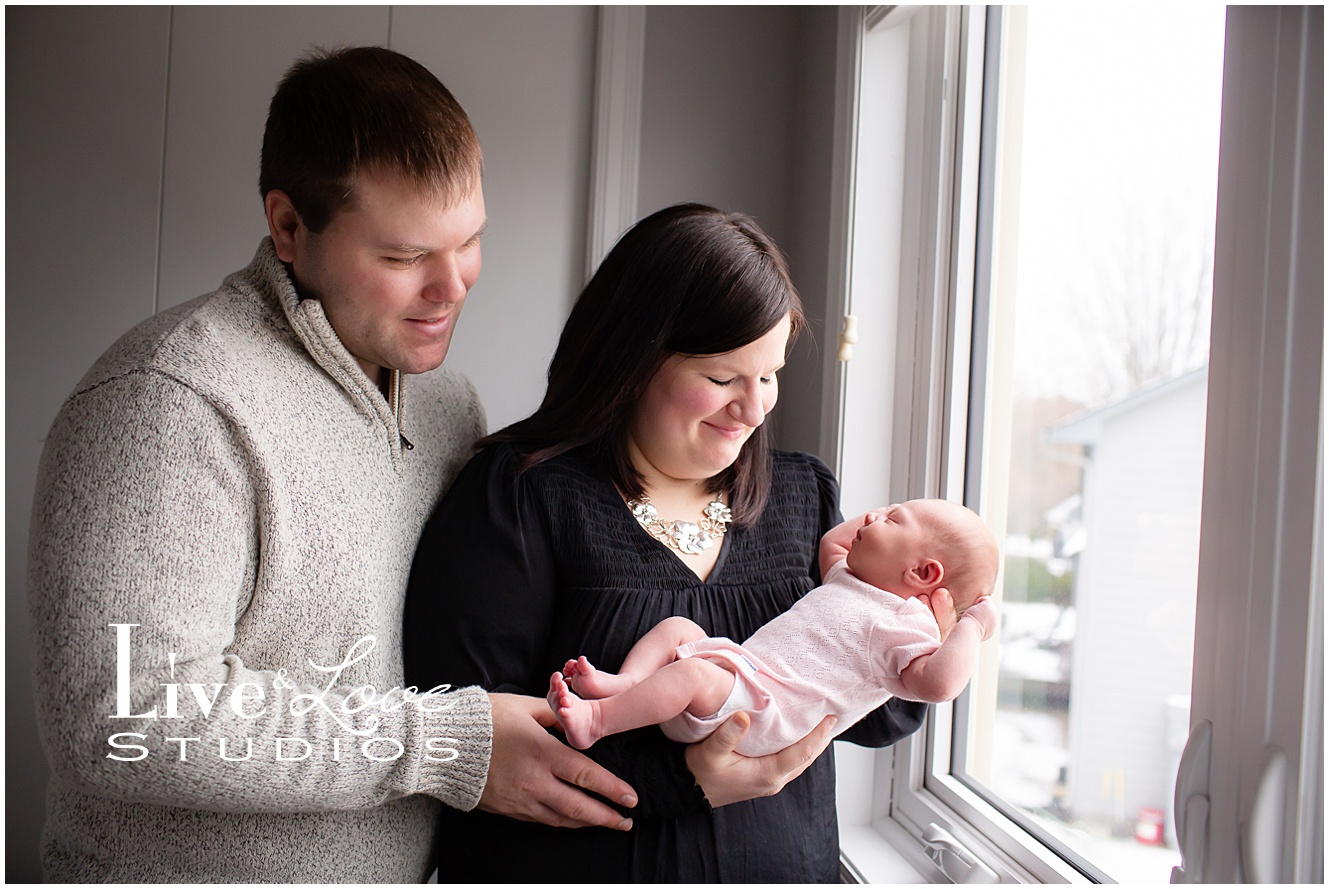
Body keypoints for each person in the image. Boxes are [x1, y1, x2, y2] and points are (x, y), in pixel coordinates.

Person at [25, 46, 636, 883]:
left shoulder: (449, 404)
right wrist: (438, 746)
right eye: (402, 257)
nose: (452, 285)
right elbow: (125, 716)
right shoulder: (169, 401)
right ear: (288, 226)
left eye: (469, 242)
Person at [403, 204, 940, 882]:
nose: (754, 407)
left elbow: (867, 714)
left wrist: (921, 634)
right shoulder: (519, 496)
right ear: (631, 359)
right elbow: (467, 740)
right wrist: (684, 779)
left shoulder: (803, 499)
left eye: (769, 374)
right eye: (722, 379)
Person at [547, 499, 1000, 753]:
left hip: (768, 714)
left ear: (924, 574)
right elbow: (831, 542)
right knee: (678, 628)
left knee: (692, 673)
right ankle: (622, 684)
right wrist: (888, 521)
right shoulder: (853, 581)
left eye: (892, 519)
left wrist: (971, 626)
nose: (871, 517)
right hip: (745, 672)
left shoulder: (906, 626)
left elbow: (938, 685)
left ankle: (598, 721)